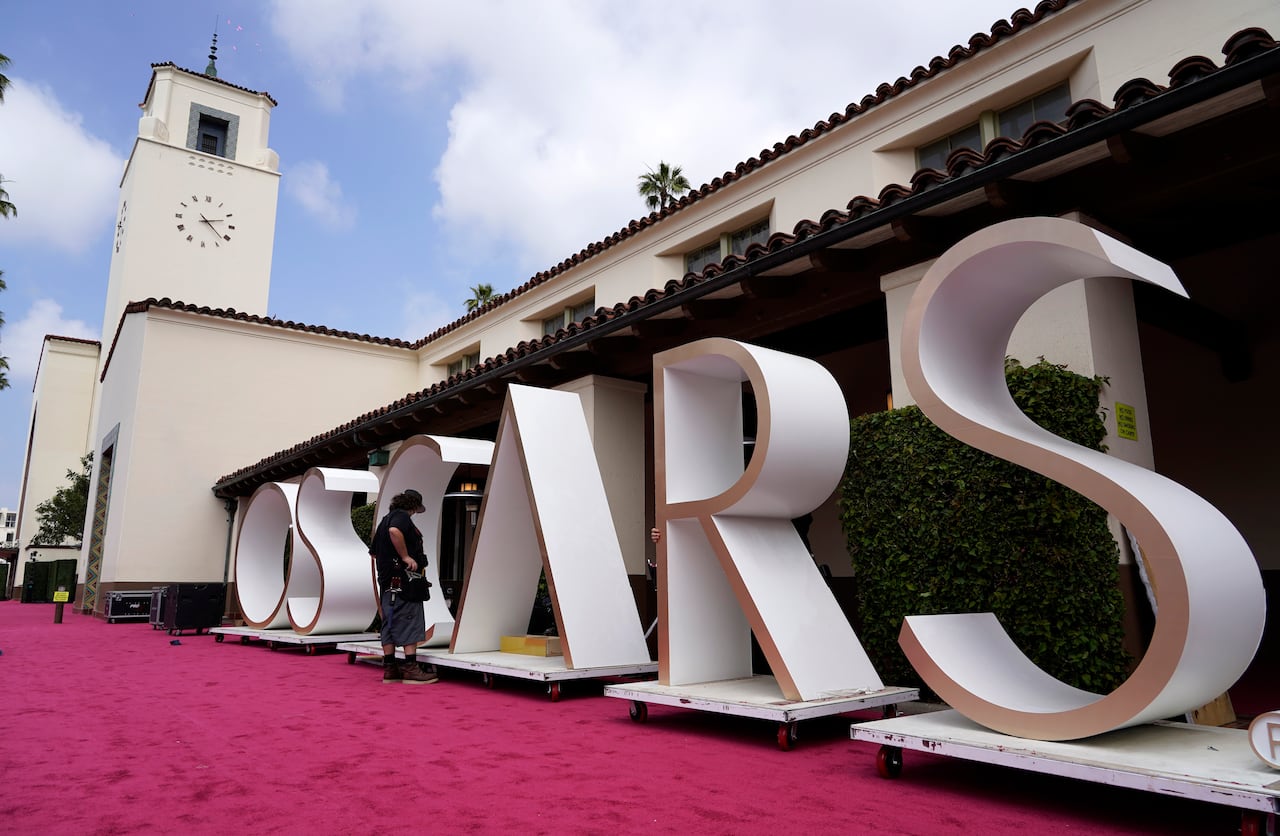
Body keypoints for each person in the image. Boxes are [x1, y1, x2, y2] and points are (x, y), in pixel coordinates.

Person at [370, 488, 437, 684]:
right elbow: (395, 531)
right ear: (413, 507)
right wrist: (406, 557)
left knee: (389, 621)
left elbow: (374, 553)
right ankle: (411, 668)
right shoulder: (401, 518)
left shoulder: (385, 519)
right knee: (410, 618)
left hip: (388, 581)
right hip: (405, 580)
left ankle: (390, 667)